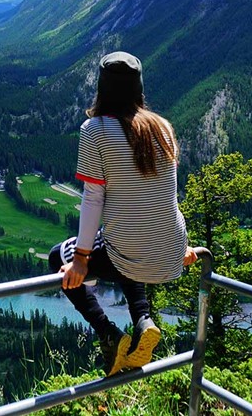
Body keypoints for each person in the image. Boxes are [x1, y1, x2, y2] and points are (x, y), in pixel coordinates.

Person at [49, 51, 197, 376]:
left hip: (131, 253)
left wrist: (81, 258)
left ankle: (108, 333)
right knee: (123, 244)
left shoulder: (95, 130)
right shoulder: (162, 127)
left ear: (102, 90)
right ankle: (143, 321)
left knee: (58, 257)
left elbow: (93, 198)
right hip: (173, 253)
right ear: (138, 90)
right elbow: (164, 194)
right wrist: (180, 246)